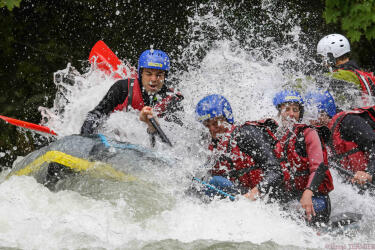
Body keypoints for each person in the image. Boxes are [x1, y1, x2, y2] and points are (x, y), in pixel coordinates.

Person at [80, 49, 183, 145]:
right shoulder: (122, 88)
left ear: (165, 77)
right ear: (141, 73)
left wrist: (153, 128)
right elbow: (95, 115)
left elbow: (174, 143)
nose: (154, 79)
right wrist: (85, 141)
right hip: (115, 140)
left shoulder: (172, 100)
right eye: (148, 73)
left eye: (159, 75)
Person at [194, 94, 283, 201]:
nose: (212, 129)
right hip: (241, 193)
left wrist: (253, 194)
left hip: (267, 196)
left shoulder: (247, 134)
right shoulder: (210, 144)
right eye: (207, 125)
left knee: (216, 182)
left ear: (226, 119)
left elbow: (276, 171)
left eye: (216, 123)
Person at [272, 90, 334, 224]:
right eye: (287, 109)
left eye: (295, 110)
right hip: (292, 196)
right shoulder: (277, 137)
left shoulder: (309, 133)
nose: (291, 114)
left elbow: (319, 167)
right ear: (279, 113)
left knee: (291, 215)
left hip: (315, 197)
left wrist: (308, 193)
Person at [305, 90, 375, 188]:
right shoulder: (318, 135)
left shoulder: (349, 122)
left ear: (327, 112)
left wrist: (369, 173)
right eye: (309, 115)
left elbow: (373, 144)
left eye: (315, 115)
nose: (312, 120)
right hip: (356, 186)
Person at [316, 34, 375, 101]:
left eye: (323, 57)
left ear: (330, 57)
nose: (323, 62)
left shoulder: (343, 75)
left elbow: (310, 83)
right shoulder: (357, 72)